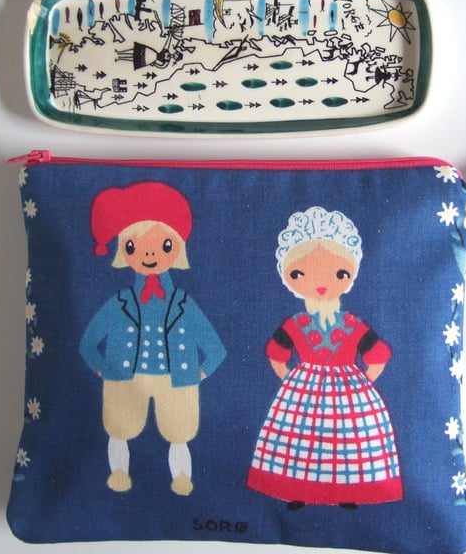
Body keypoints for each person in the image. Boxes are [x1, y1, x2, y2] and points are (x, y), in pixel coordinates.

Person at [247, 206, 403, 509]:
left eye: (339, 273)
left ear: (350, 276)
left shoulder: (352, 325)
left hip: (346, 388)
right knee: (300, 439)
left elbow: (378, 356)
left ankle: (346, 491)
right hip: (304, 386)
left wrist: (360, 385)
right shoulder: (297, 324)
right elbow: (277, 355)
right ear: (289, 278)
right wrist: (294, 382)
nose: (321, 282)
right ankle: (299, 491)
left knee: (344, 440)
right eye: (300, 273)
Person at [79, 181, 226, 495]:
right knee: (119, 428)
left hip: (177, 379)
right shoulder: (120, 302)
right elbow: (88, 341)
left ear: (178, 249)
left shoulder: (183, 304)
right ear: (123, 251)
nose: (148, 254)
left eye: (164, 245)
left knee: (180, 432)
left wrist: (199, 373)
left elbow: (215, 348)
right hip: (124, 377)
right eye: (134, 246)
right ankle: (118, 475)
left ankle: (182, 479)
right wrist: (102, 368)